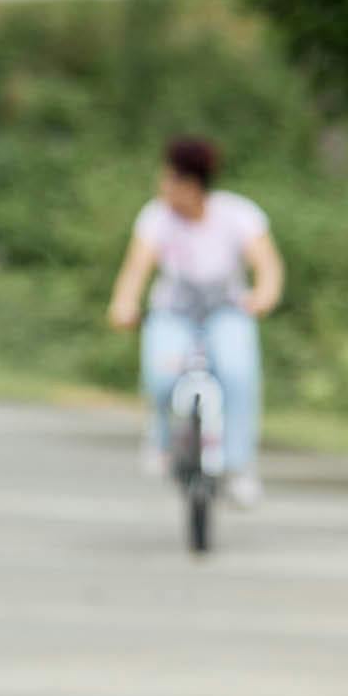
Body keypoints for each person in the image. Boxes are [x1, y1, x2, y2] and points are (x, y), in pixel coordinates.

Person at [107, 137, 282, 507]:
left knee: (237, 373)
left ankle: (237, 467)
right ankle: (162, 440)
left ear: (192, 185)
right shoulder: (156, 217)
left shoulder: (238, 215)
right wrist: (124, 304)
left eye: (170, 180)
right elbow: (136, 270)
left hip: (227, 312)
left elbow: (267, 265)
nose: (163, 188)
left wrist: (263, 296)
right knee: (161, 375)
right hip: (173, 313)